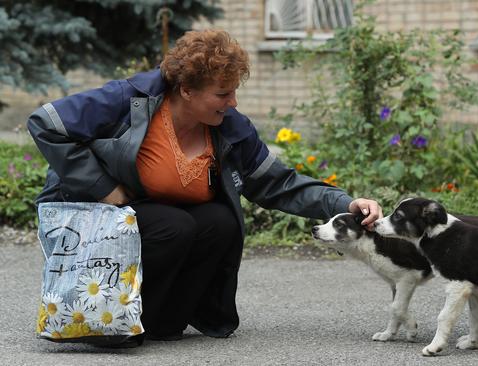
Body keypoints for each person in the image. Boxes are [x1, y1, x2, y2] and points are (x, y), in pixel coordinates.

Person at [27, 29, 382, 346]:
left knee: (219, 221)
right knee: (174, 225)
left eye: (234, 92)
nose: (234, 103)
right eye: (223, 93)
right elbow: (45, 123)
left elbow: (280, 183)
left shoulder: (230, 128)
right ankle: (104, 321)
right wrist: (105, 187)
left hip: (152, 220)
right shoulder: (127, 100)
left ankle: (159, 322)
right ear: (187, 90)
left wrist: (346, 203)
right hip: (101, 220)